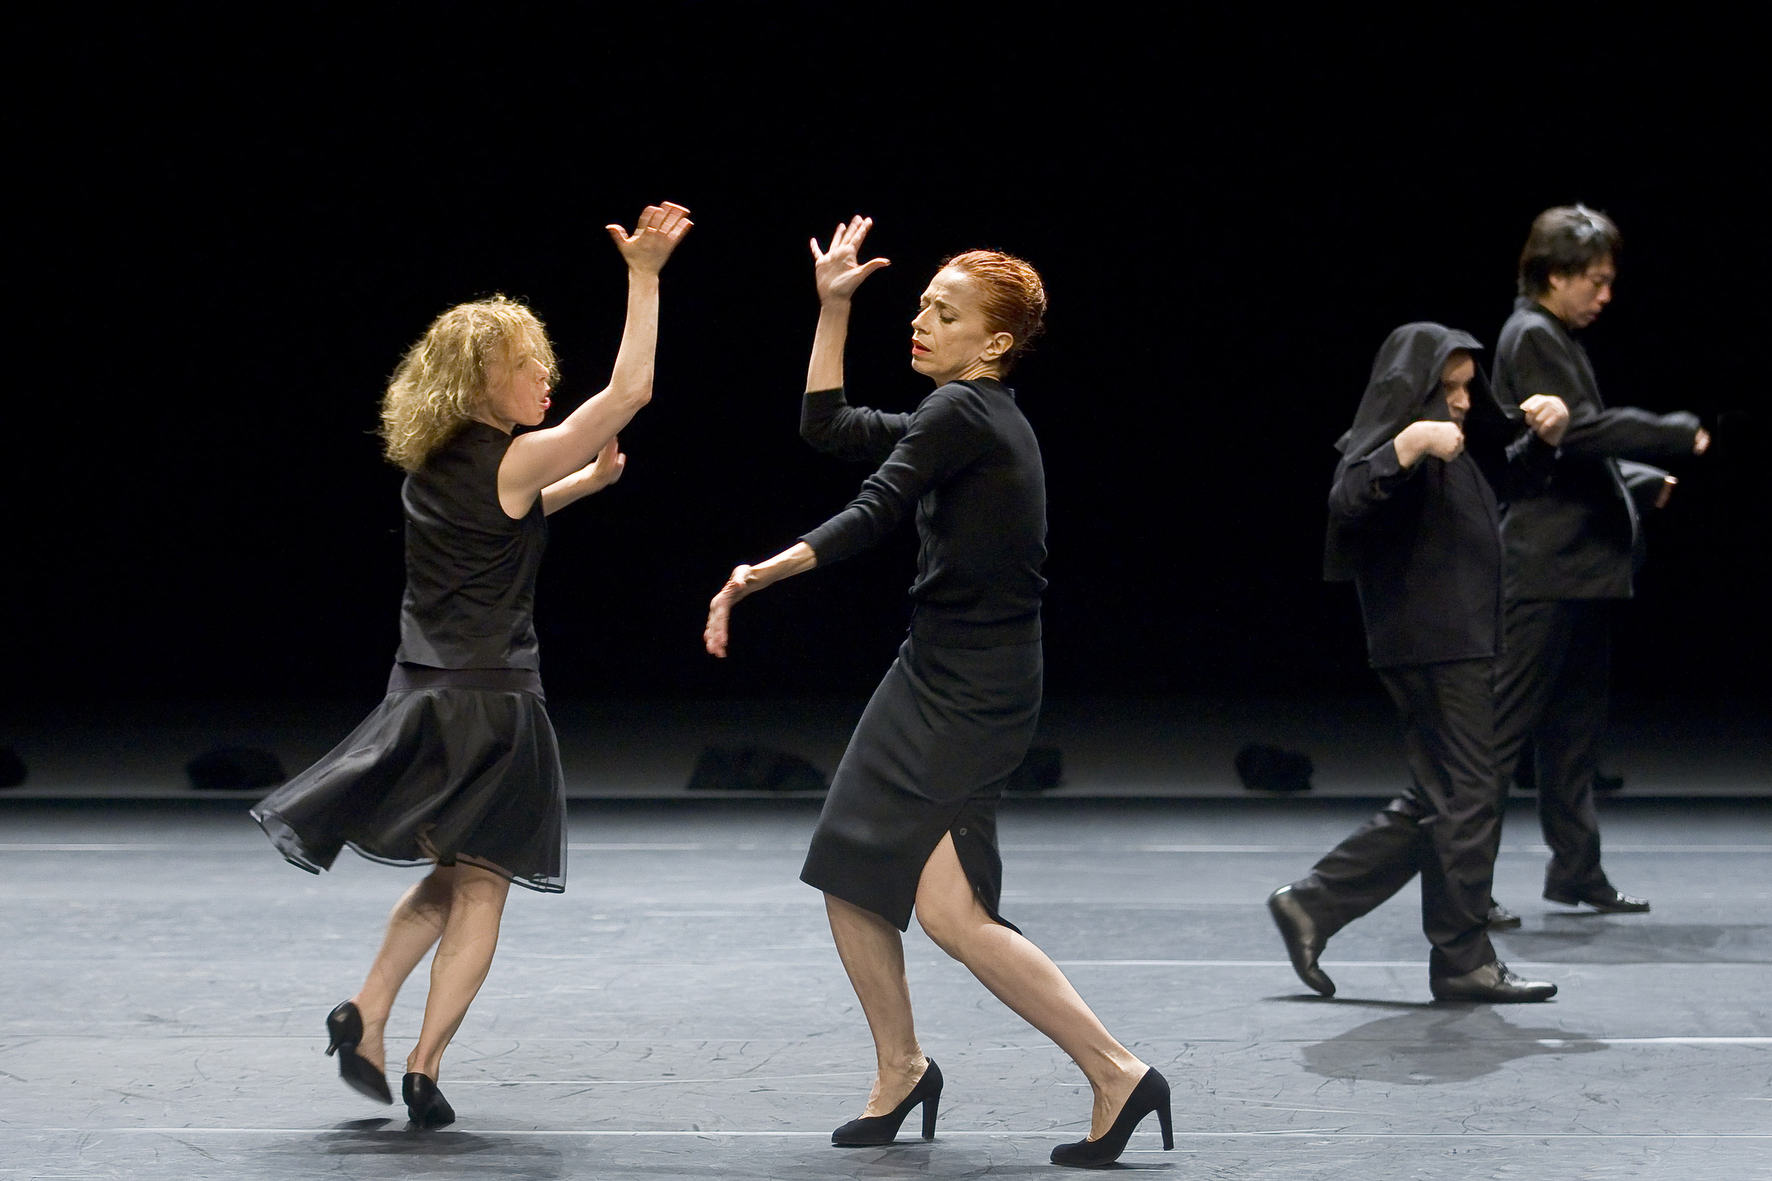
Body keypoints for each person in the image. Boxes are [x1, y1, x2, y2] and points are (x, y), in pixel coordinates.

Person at [703, 216, 1170, 1167]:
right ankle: (902, 1067)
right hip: (934, 667)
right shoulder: (958, 417)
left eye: (943, 312)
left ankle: (1118, 1071)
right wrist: (833, 307)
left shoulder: (967, 416)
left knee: (957, 916)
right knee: (847, 866)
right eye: (919, 303)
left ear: (994, 343)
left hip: (974, 686)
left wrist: (762, 571)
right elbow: (826, 425)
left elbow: (875, 508)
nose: (919, 319)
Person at [251, 202, 691, 1127]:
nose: (546, 379)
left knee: (447, 874)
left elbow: (501, 522)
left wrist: (587, 483)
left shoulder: (433, 469)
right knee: (486, 883)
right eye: (530, 367)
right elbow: (630, 392)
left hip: (420, 696)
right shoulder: (515, 456)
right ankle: (424, 1062)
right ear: (487, 377)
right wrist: (644, 277)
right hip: (496, 705)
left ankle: (366, 1014)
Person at [1267, 323, 1568, 1003]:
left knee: (1443, 797)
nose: (1462, 400)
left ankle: (1313, 902)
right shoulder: (1401, 446)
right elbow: (1347, 497)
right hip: (1432, 644)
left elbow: (1511, 482)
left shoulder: (1452, 450)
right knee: (1467, 795)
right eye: (1450, 387)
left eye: (1467, 386)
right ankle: (1463, 959)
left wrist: (1542, 441)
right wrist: (1409, 443)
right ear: (1416, 389)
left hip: (1459, 640)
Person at [1488, 204, 1709, 915]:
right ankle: (1463, 889)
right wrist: (1671, 435)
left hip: (1582, 567)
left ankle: (1575, 869)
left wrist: (1641, 484)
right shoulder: (1531, 335)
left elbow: (1577, 454)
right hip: (1545, 566)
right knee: (1499, 735)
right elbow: (1578, 434)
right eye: (1597, 280)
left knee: (1573, 734)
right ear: (1556, 275)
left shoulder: (1553, 334)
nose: (1606, 295)